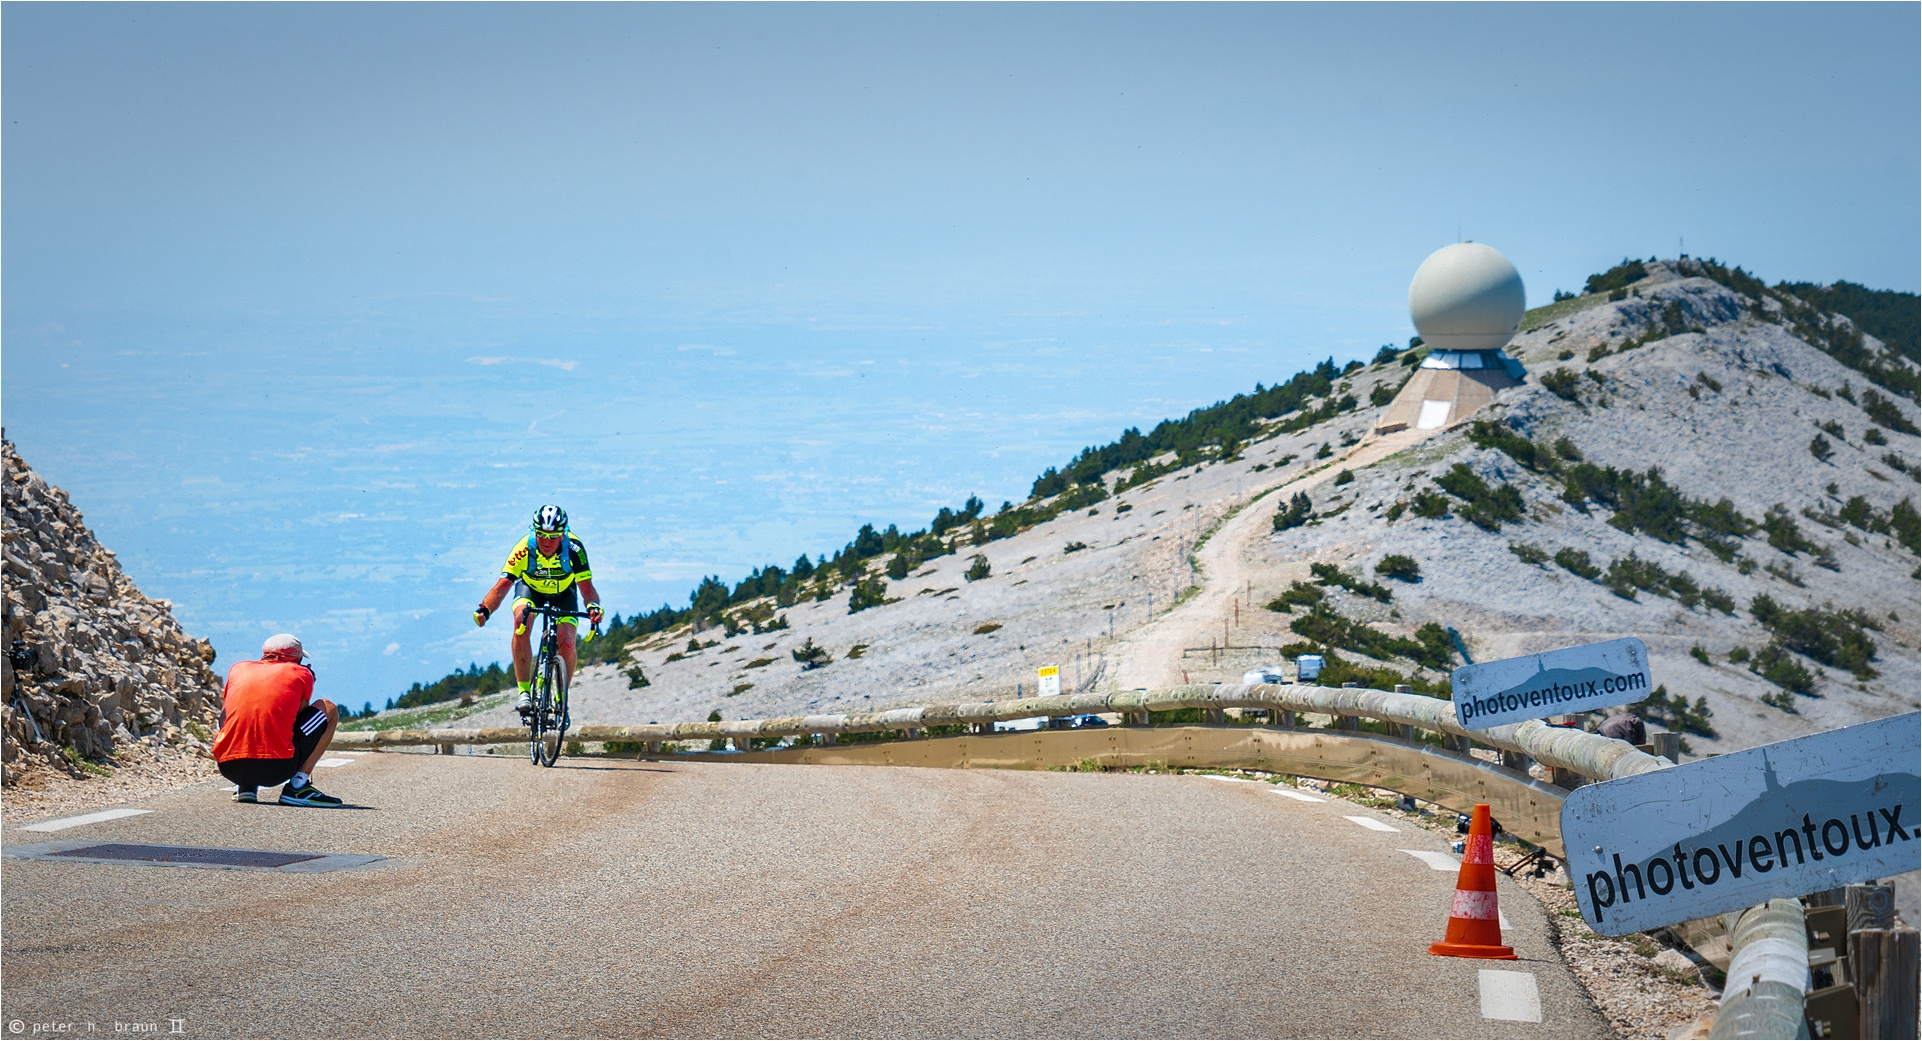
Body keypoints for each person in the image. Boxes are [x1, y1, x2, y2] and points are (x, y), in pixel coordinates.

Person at [472, 504, 603, 721]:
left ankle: (562, 697)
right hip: (531, 589)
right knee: (521, 622)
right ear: (535, 531)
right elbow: (502, 586)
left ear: (563, 534)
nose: (547, 541)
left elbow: (587, 589)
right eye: (541, 535)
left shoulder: (574, 549)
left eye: (554, 536)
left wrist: (593, 607)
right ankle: (524, 692)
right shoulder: (525, 548)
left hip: (564, 593)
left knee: (567, 642)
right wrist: (485, 609)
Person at [211, 634, 342, 807]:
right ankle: (298, 786)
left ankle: (246, 786)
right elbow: (296, 719)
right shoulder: (301, 673)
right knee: (329, 708)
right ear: (298, 658)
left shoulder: (238, 669)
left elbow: (224, 716)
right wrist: (307, 680)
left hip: (230, 767)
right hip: (276, 769)